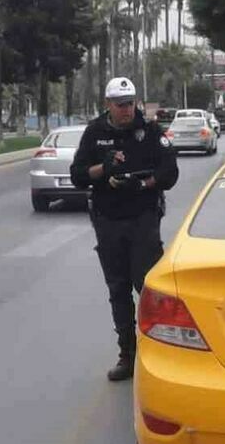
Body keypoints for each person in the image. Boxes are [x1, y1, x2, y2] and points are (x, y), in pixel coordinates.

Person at [70, 78, 179, 381]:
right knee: (118, 289)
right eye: (120, 105)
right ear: (108, 105)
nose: (126, 109)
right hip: (108, 221)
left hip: (143, 219)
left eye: (130, 103)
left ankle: (161, 353)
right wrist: (103, 169)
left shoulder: (150, 131)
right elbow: (78, 175)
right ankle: (127, 355)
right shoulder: (95, 132)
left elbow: (170, 172)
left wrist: (143, 184)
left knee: (149, 288)